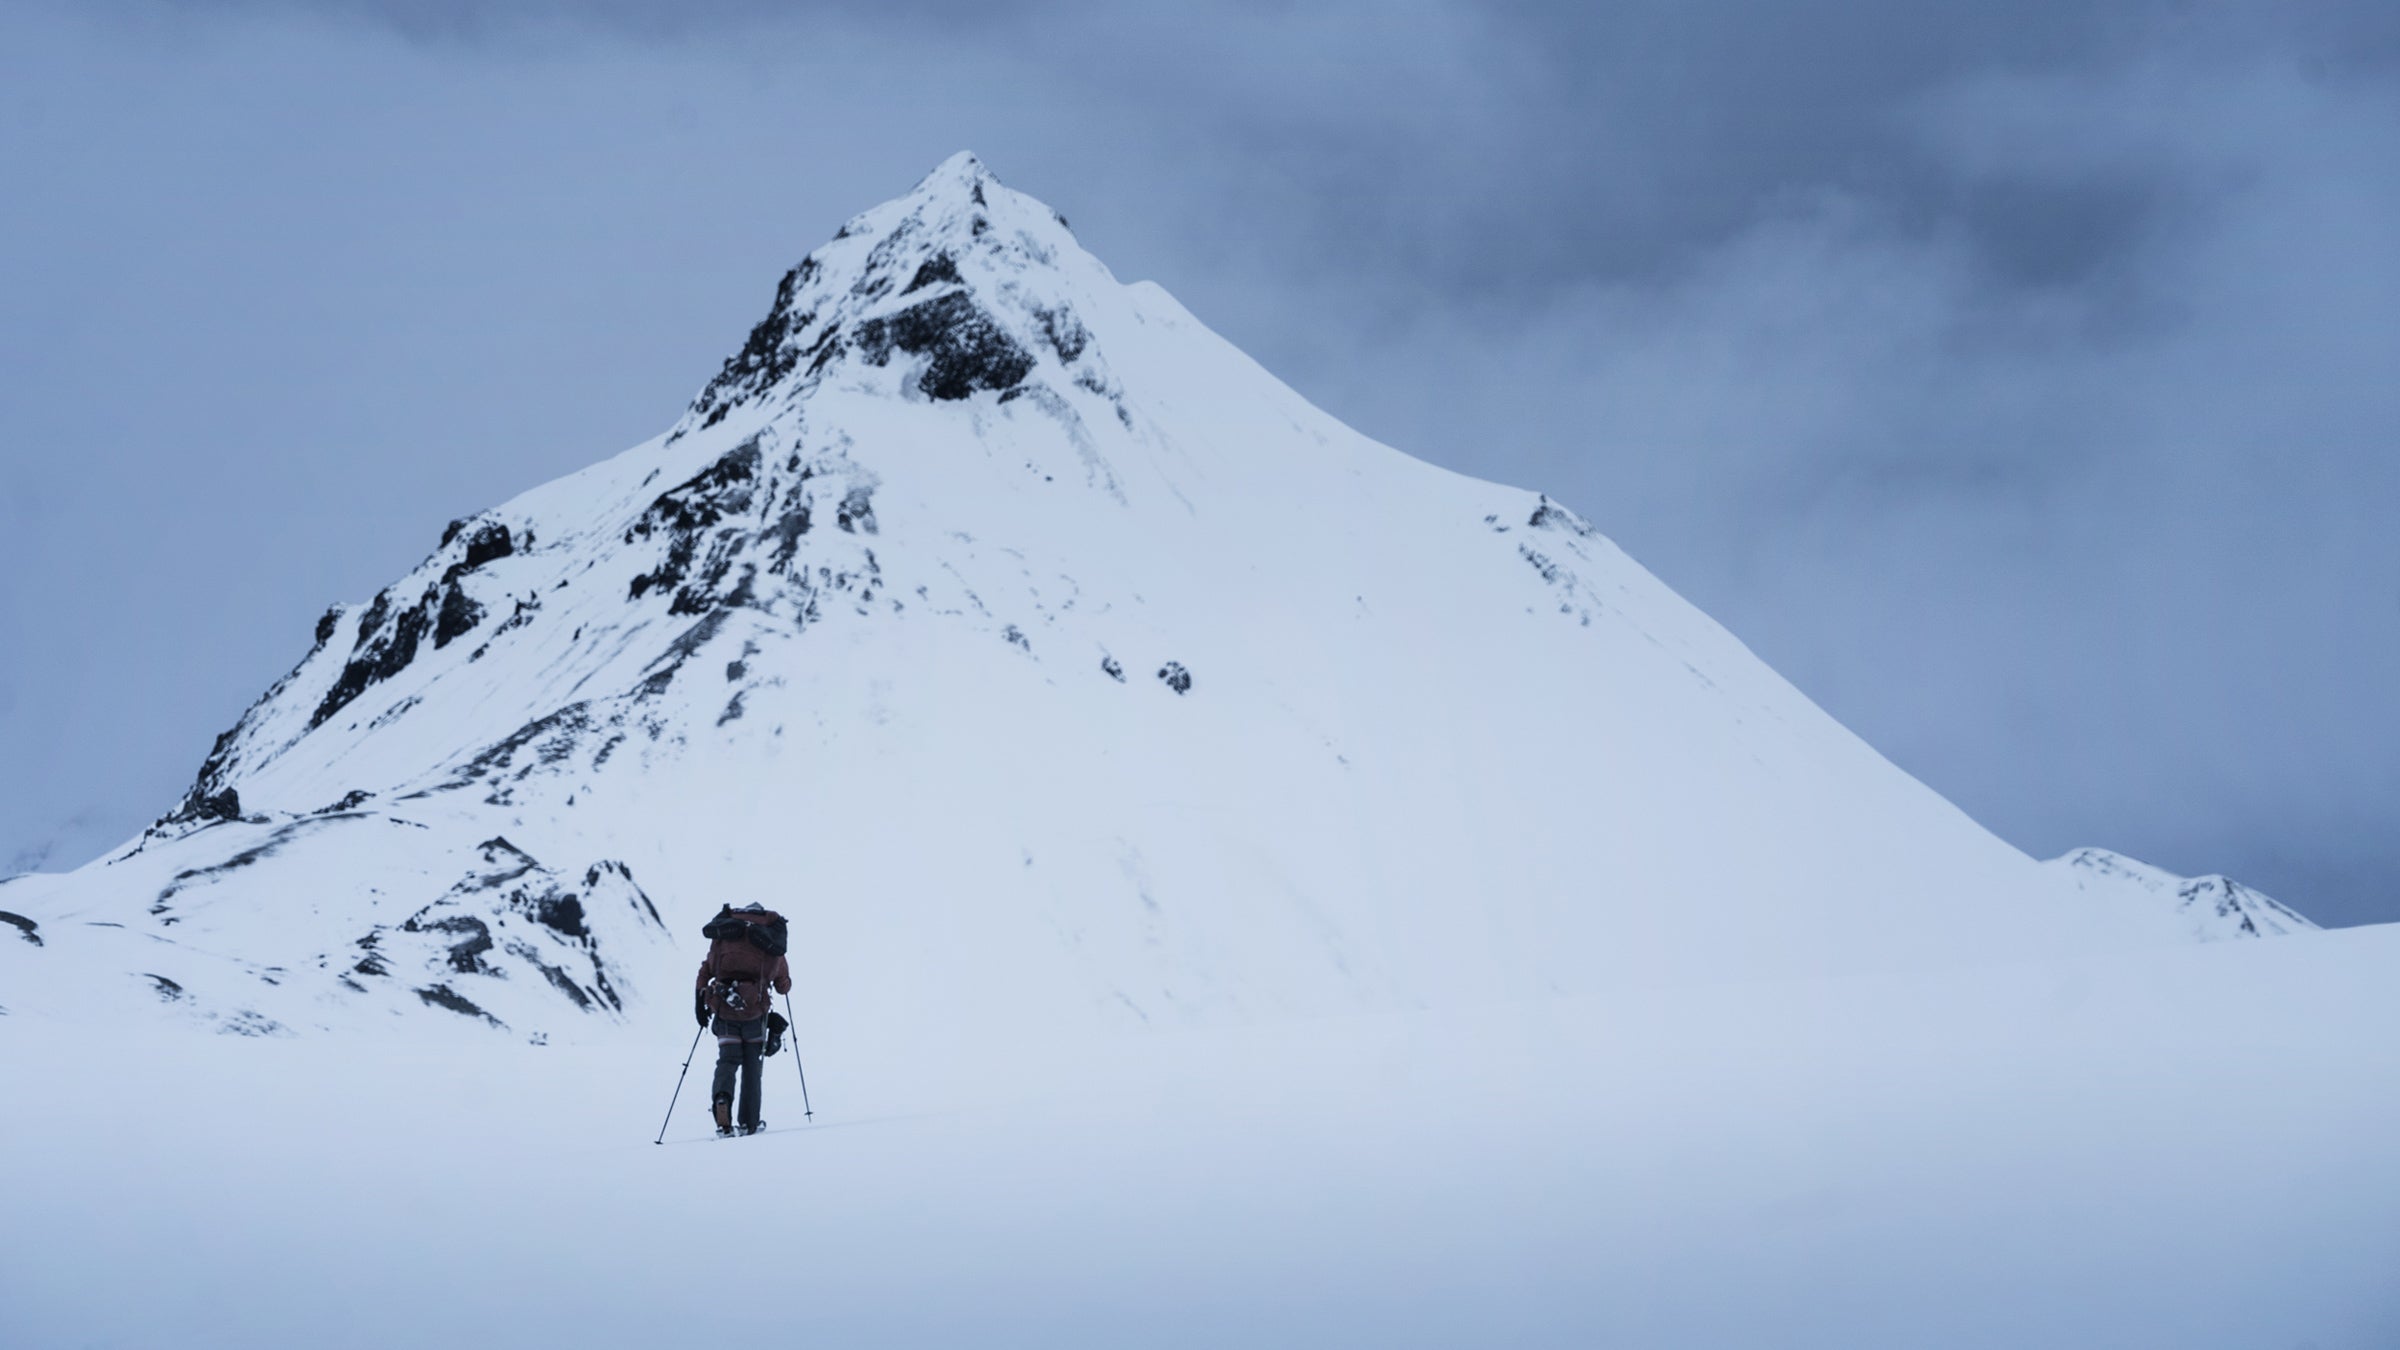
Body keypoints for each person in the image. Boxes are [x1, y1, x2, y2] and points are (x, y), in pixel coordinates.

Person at [694, 903, 792, 1137]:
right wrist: (785, 982)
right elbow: (782, 986)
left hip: (724, 1009)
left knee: (727, 1061)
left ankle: (722, 1104)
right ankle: (749, 1122)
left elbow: (707, 969)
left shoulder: (725, 934)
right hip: (755, 1013)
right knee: (752, 1067)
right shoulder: (769, 939)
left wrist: (699, 999)